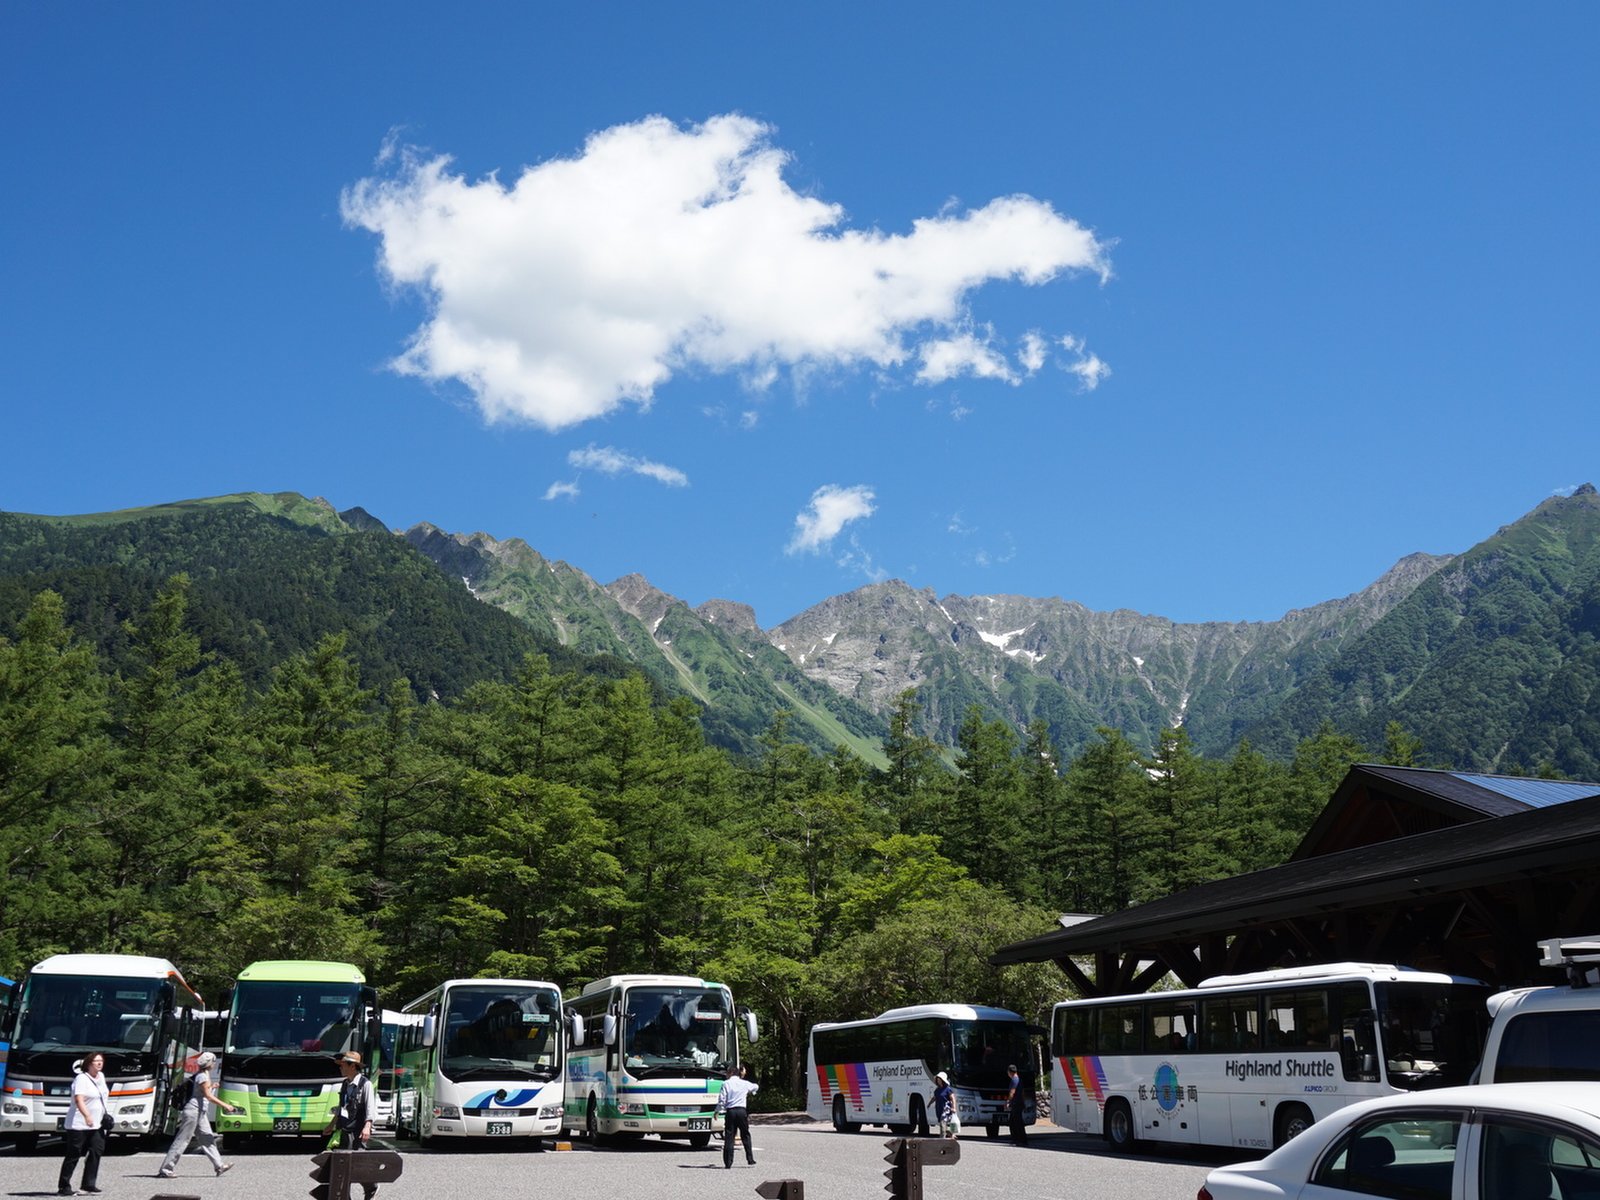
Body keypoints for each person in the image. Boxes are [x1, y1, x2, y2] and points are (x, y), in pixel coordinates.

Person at [157, 1051, 238, 1178]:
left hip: (200, 1111)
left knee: (208, 1138)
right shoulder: (203, 1077)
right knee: (183, 1140)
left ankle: (219, 1166)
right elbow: (208, 1096)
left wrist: (213, 1086)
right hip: (193, 1111)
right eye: (214, 1061)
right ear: (209, 1063)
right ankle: (166, 1169)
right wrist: (225, 1105)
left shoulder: (204, 1075)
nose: (215, 1064)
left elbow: (203, 1092)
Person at [322, 1050, 381, 1200]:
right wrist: (331, 1125)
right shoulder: (345, 1084)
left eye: (343, 1065)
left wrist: (367, 1126)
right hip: (344, 1130)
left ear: (353, 1066)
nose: (340, 1067)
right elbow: (341, 1107)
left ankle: (371, 1187)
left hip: (357, 1132)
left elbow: (370, 1108)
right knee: (343, 1166)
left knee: (357, 1165)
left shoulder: (365, 1084)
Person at [58, 1051, 109, 1196]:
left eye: (101, 1061)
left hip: (97, 1123)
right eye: (96, 1061)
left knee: (96, 1150)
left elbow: (102, 1097)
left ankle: (88, 1184)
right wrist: (87, 1115)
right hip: (79, 1123)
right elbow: (78, 1099)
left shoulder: (101, 1077)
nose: (99, 1063)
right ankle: (64, 1186)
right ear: (88, 1064)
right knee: (74, 1154)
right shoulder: (81, 1078)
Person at [715, 1064, 758, 1168]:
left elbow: (722, 1099)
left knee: (729, 1136)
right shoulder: (744, 1083)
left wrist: (718, 1110)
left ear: (730, 1073)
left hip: (731, 1111)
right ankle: (750, 1158)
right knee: (745, 1134)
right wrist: (752, 1092)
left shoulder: (726, 1084)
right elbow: (756, 1086)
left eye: (727, 1073)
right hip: (742, 1111)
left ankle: (728, 1162)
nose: (726, 1075)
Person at [931, 1071, 958, 1139]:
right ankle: (951, 1134)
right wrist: (929, 1104)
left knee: (943, 1125)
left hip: (946, 1110)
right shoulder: (937, 1090)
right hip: (939, 1109)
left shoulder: (948, 1089)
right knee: (943, 1125)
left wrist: (954, 1108)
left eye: (940, 1079)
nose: (938, 1080)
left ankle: (941, 1139)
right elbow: (934, 1098)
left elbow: (953, 1098)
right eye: (937, 1079)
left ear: (943, 1080)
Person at [1005, 1064, 1027, 1144]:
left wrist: (1008, 1101)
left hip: (1016, 1103)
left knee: (1015, 1122)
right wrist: (1023, 1101)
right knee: (1015, 1121)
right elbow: (1023, 1092)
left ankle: (1019, 1139)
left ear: (1010, 1072)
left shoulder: (1014, 1080)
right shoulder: (1019, 1080)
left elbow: (1012, 1092)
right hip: (1020, 1102)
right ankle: (1019, 1138)